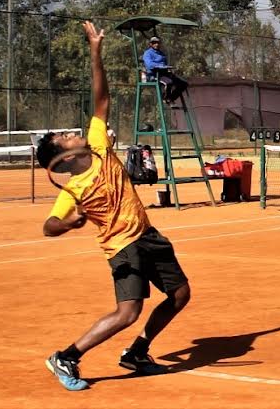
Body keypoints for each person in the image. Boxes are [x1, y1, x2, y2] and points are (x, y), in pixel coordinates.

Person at [36, 22, 191, 392]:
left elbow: (101, 96)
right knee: (128, 311)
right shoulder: (72, 189)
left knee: (180, 294)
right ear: (62, 157)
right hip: (122, 249)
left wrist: (96, 50)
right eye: (64, 137)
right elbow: (48, 226)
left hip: (148, 235)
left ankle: (137, 352)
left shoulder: (97, 143)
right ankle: (66, 356)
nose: (72, 133)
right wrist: (68, 223)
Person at [142, 35, 188, 104]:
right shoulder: (147, 53)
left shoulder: (161, 54)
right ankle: (167, 99)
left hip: (164, 74)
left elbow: (165, 64)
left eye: (158, 42)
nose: (156, 44)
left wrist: (168, 68)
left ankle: (170, 98)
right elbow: (150, 65)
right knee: (168, 82)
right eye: (154, 43)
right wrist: (161, 66)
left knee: (183, 84)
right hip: (154, 75)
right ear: (151, 44)